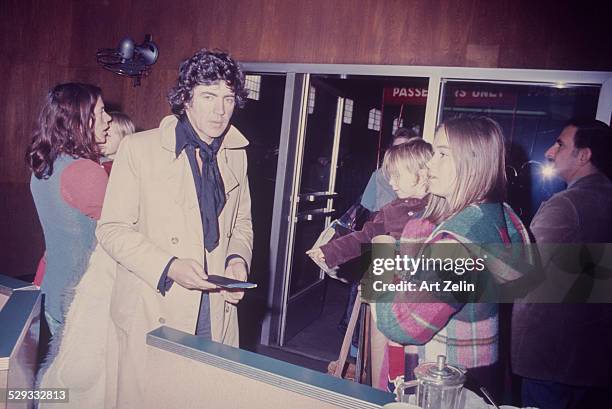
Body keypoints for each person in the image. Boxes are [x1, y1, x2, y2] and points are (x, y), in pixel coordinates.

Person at [38, 49, 253, 409]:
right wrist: (169, 266)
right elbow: (112, 230)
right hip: (155, 303)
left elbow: (242, 222)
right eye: (209, 97)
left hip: (215, 308)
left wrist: (237, 260)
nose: (220, 110)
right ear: (185, 98)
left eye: (229, 98)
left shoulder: (236, 153)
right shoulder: (139, 149)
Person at [373, 116, 530, 398]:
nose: (430, 163)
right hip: (480, 367)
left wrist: (381, 262)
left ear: (472, 162)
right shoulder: (498, 214)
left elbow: (399, 325)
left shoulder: (457, 240)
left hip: (445, 383)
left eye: (442, 153)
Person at [512, 119, 612, 409]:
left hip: (552, 361)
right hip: (595, 362)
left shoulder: (566, 204)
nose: (549, 152)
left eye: (560, 144)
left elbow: (520, 269)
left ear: (584, 155)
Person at [26, 82, 111, 336]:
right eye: (102, 112)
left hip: (52, 290)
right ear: (80, 121)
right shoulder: (85, 172)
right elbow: (124, 232)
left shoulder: (45, 165)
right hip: (83, 298)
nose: (108, 121)